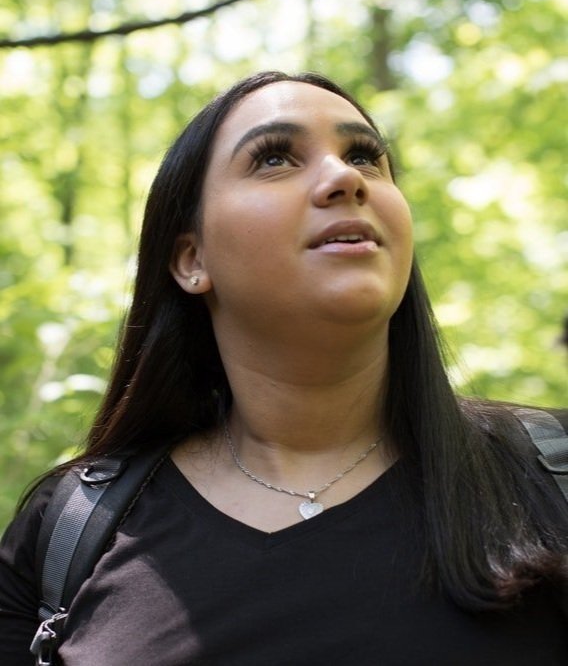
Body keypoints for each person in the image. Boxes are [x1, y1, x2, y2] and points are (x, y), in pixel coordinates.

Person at [1, 70, 567, 666]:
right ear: (192, 259)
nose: (346, 177)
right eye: (274, 158)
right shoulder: (71, 532)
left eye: (366, 157)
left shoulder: (550, 475)